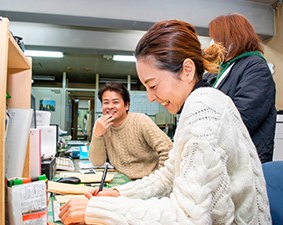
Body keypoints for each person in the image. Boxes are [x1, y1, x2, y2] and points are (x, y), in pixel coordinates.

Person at [59, 20, 271, 225]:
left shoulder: (203, 109)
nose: (150, 97)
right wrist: (118, 193)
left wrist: (97, 210)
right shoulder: (196, 104)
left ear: (187, 71)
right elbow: (169, 176)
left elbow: (189, 218)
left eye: (153, 85)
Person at [206, 13, 277, 163]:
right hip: (223, 155)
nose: (212, 43)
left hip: (247, 159)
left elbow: (242, 117)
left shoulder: (255, 66)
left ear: (233, 38)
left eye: (216, 38)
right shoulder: (219, 70)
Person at [88, 82, 173, 179]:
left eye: (115, 102)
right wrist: (97, 135)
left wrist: (159, 179)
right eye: (106, 102)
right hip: (121, 180)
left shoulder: (140, 121)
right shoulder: (101, 125)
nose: (110, 106)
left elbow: (168, 149)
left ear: (126, 105)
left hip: (148, 182)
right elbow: (97, 162)